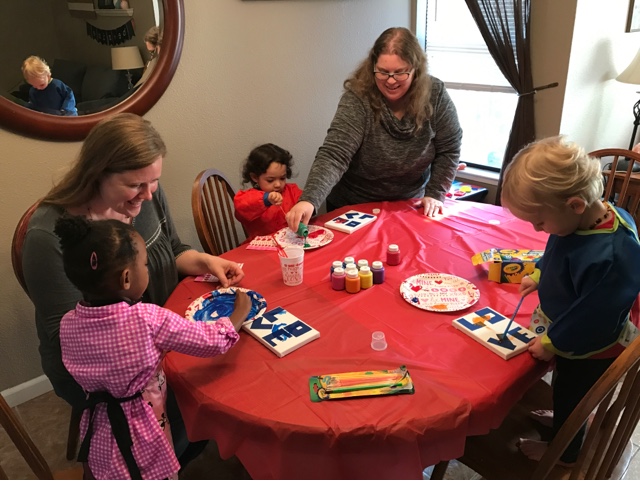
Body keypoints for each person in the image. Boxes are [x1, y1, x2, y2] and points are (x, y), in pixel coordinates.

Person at [21, 112, 244, 462]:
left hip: (158, 335)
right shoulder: (46, 236)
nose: (148, 194)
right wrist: (160, 343)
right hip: (104, 373)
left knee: (231, 372)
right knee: (207, 390)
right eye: (136, 184)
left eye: (154, 181)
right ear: (97, 173)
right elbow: (69, 339)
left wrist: (205, 262)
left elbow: (173, 249)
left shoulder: (146, 195)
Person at [54, 215, 251, 479]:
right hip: (144, 427)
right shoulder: (147, 319)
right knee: (152, 472)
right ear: (126, 278)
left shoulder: (68, 323)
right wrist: (240, 311)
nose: (148, 270)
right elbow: (211, 341)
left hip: (100, 424)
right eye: (145, 264)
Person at [500, 136, 640, 465]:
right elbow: (557, 250)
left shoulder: (611, 255)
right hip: (573, 330)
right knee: (563, 386)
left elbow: (594, 317)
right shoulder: (578, 222)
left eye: (539, 222)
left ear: (575, 205)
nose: (538, 229)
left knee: (572, 393)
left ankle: (566, 451)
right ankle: (564, 418)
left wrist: (553, 342)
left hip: (594, 346)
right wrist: (539, 274)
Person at [285, 27, 462, 231]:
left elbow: (449, 149)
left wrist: (435, 193)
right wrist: (309, 199)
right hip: (354, 205)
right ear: (372, 67)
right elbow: (335, 154)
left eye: (400, 72)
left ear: (416, 70)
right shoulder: (358, 97)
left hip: (409, 204)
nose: (391, 80)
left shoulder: (435, 95)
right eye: (383, 72)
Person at [234, 143, 303, 239]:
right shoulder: (248, 197)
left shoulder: (292, 191)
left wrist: (303, 210)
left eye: (282, 178)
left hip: (290, 241)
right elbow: (242, 207)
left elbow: (306, 203)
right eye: (270, 180)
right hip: (262, 244)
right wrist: (266, 199)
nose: (278, 184)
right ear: (255, 177)